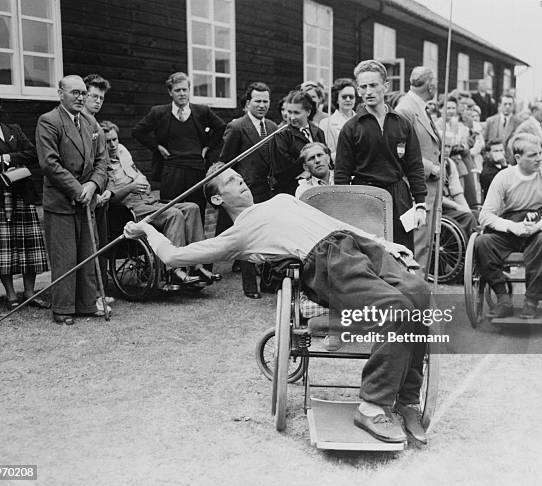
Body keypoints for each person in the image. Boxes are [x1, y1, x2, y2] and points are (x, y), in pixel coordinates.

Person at [124, 163, 432, 444]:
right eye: (231, 181)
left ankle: (406, 400)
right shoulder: (239, 235)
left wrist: (384, 243)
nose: (241, 181)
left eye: (240, 176)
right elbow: (173, 256)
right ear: (218, 199)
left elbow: (331, 221)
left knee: (420, 293)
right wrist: (147, 229)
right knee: (397, 309)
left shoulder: (282, 199)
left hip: (354, 242)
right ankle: (372, 405)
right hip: (327, 261)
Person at [101, 121, 218, 285]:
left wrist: (142, 183)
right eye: (108, 141)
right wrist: (130, 187)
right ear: (100, 143)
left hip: (149, 201)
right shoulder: (101, 165)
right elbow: (111, 199)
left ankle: (197, 265)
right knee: (174, 214)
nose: (113, 144)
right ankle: (175, 270)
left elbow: (140, 176)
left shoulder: (123, 155)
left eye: (115, 139)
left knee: (192, 207)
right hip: (130, 210)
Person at [36, 75, 108, 325]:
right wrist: (78, 189)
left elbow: (102, 161)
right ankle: (63, 309)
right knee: (65, 257)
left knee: (87, 254)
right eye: (74, 92)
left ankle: (87, 304)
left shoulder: (91, 124)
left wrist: (93, 185)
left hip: (86, 198)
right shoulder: (49, 121)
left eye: (82, 93)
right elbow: (49, 163)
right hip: (62, 201)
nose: (80, 97)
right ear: (60, 94)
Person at [0, 89, 49, 310]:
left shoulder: (13, 129)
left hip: (21, 192)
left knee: (29, 245)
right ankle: (11, 295)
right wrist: (11, 161)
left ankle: (30, 293)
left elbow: (33, 153)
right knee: (4, 248)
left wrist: (5, 158)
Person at [336, 60, 427, 251]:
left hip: (399, 198)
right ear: (358, 90)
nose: (368, 91)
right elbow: (342, 175)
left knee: (402, 252)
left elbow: (415, 166)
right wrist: (346, 209)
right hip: (365, 197)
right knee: (370, 253)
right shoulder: (351, 128)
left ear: (385, 86)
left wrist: (420, 204)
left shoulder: (402, 124)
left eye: (373, 85)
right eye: (363, 87)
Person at [476, 133, 542, 319]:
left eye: (540, 153)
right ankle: (503, 299)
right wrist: (512, 227)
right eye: (532, 155)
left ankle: (531, 301)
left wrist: (539, 226)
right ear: (518, 158)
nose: (539, 158)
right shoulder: (503, 177)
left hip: (538, 227)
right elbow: (484, 215)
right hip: (511, 228)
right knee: (482, 243)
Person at [132, 72, 225, 220]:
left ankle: (195, 242)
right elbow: (138, 131)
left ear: (189, 90)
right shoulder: (159, 112)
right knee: (171, 212)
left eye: (185, 89)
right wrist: (157, 147)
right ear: (170, 92)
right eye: (177, 90)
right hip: (171, 170)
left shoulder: (202, 111)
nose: (182, 94)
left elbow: (221, 128)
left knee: (197, 212)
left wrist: (207, 147)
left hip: (196, 169)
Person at [218, 82, 278, 299]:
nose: (262, 105)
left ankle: (269, 282)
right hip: (246, 190)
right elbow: (225, 163)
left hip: (268, 189)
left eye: (265, 101)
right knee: (248, 236)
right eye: (258, 101)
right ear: (247, 103)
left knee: (268, 235)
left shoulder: (273, 127)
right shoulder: (237, 127)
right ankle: (250, 286)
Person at [395, 66, 440, 270]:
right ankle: (415, 296)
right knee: (417, 245)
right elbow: (400, 152)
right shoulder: (406, 109)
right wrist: (432, 167)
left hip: (429, 189)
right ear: (431, 86)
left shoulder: (420, 107)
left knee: (425, 244)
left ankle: (421, 293)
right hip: (415, 188)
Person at [82, 74, 114, 308]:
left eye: (101, 97)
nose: (98, 101)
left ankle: (98, 292)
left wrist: (103, 190)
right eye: (94, 96)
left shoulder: (98, 126)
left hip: (100, 193)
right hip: (83, 193)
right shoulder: (78, 123)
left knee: (100, 243)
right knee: (88, 246)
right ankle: (90, 295)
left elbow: (104, 163)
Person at [271, 90, 326, 196]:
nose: (291, 117)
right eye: (289, 112)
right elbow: (282, 171)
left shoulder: (318, 132)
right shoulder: (282, 135)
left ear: (308, 112)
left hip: (318, 189)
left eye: (296, 113)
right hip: (292, 192)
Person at [318, 78, 357, 163]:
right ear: (336, 99)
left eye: (351, 97)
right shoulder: (326, 123)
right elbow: (327, 156)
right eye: (344, 97)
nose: (348, 99)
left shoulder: (363, 121)